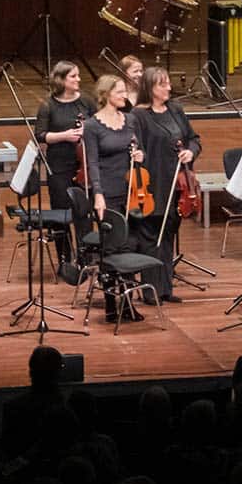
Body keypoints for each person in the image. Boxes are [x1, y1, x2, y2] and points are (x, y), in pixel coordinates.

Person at [133, 66, 201, 302]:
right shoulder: (139, 116)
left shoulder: (176, 109)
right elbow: (138, 150)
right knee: (152, 237)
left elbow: (193, 139)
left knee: (169, 232)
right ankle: (151, 290)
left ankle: (165, 288)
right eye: (163, 84)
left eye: (168, 83)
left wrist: (190, 153)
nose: (169, 88)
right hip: (154, 184)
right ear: (150, 88)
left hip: (179, 184)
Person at [81, 73, 146, 322]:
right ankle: (110, 304)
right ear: (107, 94)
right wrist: (98, 195)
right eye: (120, 92)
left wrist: (141, 155)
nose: (124, 96)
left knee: (129, 245)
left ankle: (128, 302)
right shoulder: (93, 125)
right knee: (111, 249)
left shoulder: (129, 120)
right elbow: (93, 163)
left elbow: (138, 148)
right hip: (106, 193)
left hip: (131, 191)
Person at [33, 60, 95, 265]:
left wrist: (87, 131)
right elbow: (40, 136)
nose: (78, 79)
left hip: (83, 165)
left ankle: (86, 258)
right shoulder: (48, 106)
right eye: (73, 76)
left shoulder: (86, 101)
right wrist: (65, 135)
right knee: (61, 212)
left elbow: (98, 125)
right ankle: (64, 260)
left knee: (84, 212)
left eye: (78, 75)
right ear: (61, 80)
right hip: (59, 166)